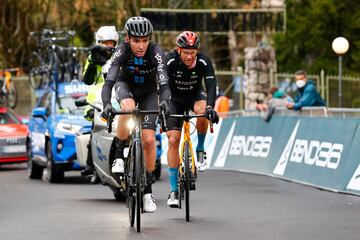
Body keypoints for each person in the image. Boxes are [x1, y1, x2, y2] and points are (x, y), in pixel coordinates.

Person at [100, 17, 170, 213]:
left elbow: (164, 84)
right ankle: (119, 153)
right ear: (128, 39)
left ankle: (147, 191)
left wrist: (164, 101)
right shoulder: (121, 51)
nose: (141, 45)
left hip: (148, 92)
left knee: (148, 139)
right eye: (136, 41)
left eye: (145, 40)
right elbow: (109, 82)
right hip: (126, 86)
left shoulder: (156, 52)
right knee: (128, 107)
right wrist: (106, 104)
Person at [164, 31, 219, 208]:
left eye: (193, 52)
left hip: (195, 95)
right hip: (174, 99)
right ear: (178, 50)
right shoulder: (170, 60)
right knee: (173, 139)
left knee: (204, 111)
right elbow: (162, 84)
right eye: (185, 52)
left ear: (197, 50)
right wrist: (162, 105)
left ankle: (200, 149)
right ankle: (173, 190)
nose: (189, 56)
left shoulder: (203, 61)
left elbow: (211, 86)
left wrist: (211, 107)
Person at [81, 26, 119, 184]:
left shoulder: (121, 55)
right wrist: (92, 62)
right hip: (97, 101)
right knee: (94, 129)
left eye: (110, 43)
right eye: (104, 43)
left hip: (118, 97)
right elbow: (87, 79)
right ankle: (92, 164)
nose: (107, 46)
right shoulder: (93, 56)